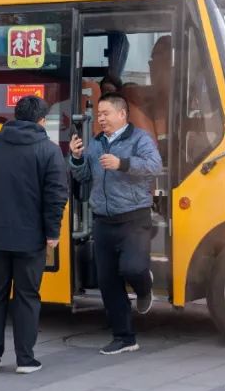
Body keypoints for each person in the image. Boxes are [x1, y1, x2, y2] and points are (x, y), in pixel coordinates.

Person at [0, 95, 69, 374]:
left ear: (15, 115)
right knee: (26, 296)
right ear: (42, 120)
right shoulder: (48, 150)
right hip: (30, 238)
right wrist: (52, 232)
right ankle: (25, 359)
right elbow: (56, 195)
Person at [69, 93, 163, 355]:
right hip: (103, 220)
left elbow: (155, 166)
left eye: (106, 113)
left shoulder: (139, 139)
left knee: (132, 268)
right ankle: (124, 337)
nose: (101, 118)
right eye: (99, 114)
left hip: (134, 216)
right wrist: (76, 158)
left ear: (122, 114)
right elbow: (84, 175)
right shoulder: (96, 143)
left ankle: (144, 287)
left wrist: (122, 164)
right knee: (108, 282)